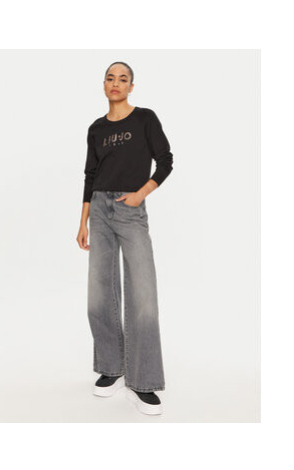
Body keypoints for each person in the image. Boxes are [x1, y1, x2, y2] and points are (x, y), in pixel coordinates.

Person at [76, 61, 174, 416]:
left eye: (123, 78)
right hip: (99, 211)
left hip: (130, 209)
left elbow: (165, 161)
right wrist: (83, 220)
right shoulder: (96, 128)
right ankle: (112, 368)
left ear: (131, 86)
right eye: (110, 78)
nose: (115, 83)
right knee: (99, 295)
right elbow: (90, 175)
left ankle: (143, 381)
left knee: (143, 295)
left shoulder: (145, 118)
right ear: (104, 85)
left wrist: (140, 194)